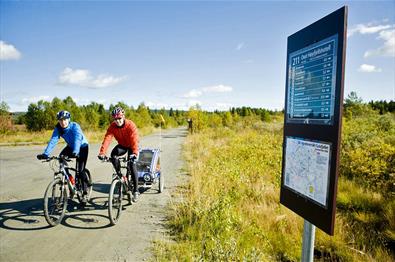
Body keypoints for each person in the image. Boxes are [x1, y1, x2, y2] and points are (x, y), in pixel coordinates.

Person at [37, 110, 90, 204]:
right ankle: (70, 180)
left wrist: (75, 151)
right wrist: (46, 154)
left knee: (80, 170)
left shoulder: (75, 126)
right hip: (71, 147)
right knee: (61, 157)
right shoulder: (58, 128)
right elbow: (53, 140)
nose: (63, 122)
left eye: (65, 119)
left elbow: (78, 139)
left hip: (82, 147)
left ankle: (85, 193)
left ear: (69, 119)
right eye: (60, 120)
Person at [98, 107, 140, 202]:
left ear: (123, 117)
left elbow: (134, 140)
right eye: (115, 119)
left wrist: (135, 153)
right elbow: (107, 139)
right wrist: (102, 153)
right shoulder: (112, 126)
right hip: (122, 145)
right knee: (113, 155)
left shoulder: (130, 125)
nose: (117, 121)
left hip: (132, 146)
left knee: (132, 165)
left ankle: (136, 190)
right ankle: (120, 175)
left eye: (119, 118)